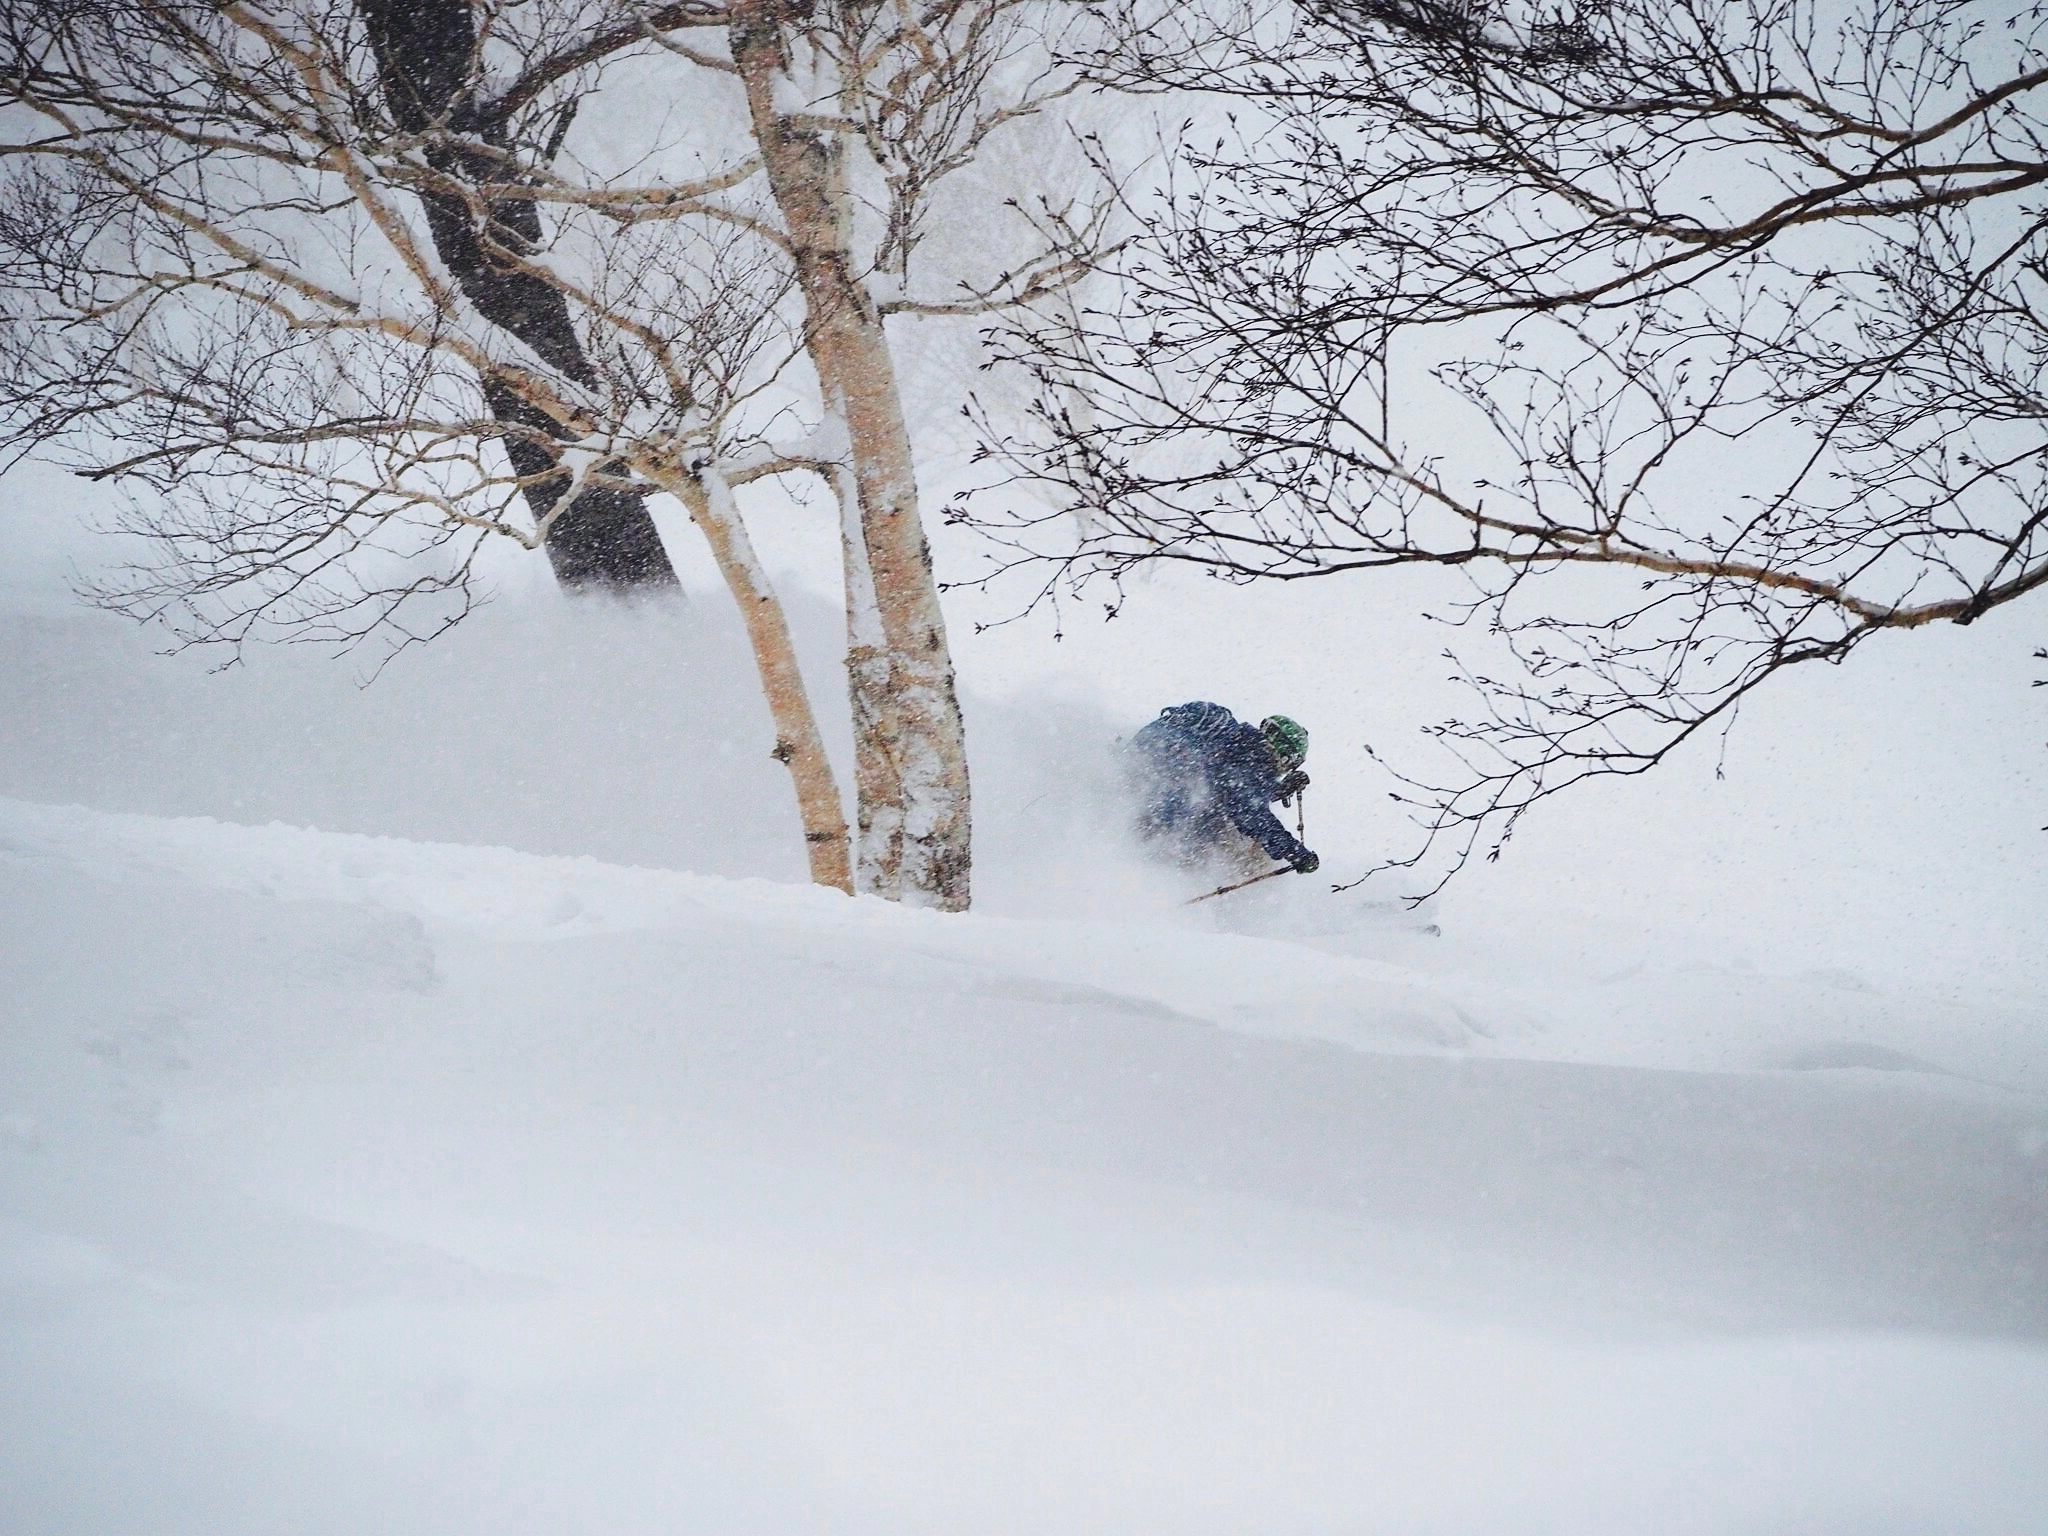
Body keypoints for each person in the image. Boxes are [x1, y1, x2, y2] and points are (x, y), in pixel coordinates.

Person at [1124, 702, 1319, 874]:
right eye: (1291, 763)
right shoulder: (1256, 758)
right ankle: (1185, 886)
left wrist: (1279, 790)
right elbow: (1250, 812)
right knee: (1233, 838)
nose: (1284, 770)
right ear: (1285, 754)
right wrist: (1296, 854)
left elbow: (1232, 788)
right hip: (1159, 821)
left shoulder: (1236, 742)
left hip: (1141, 788)